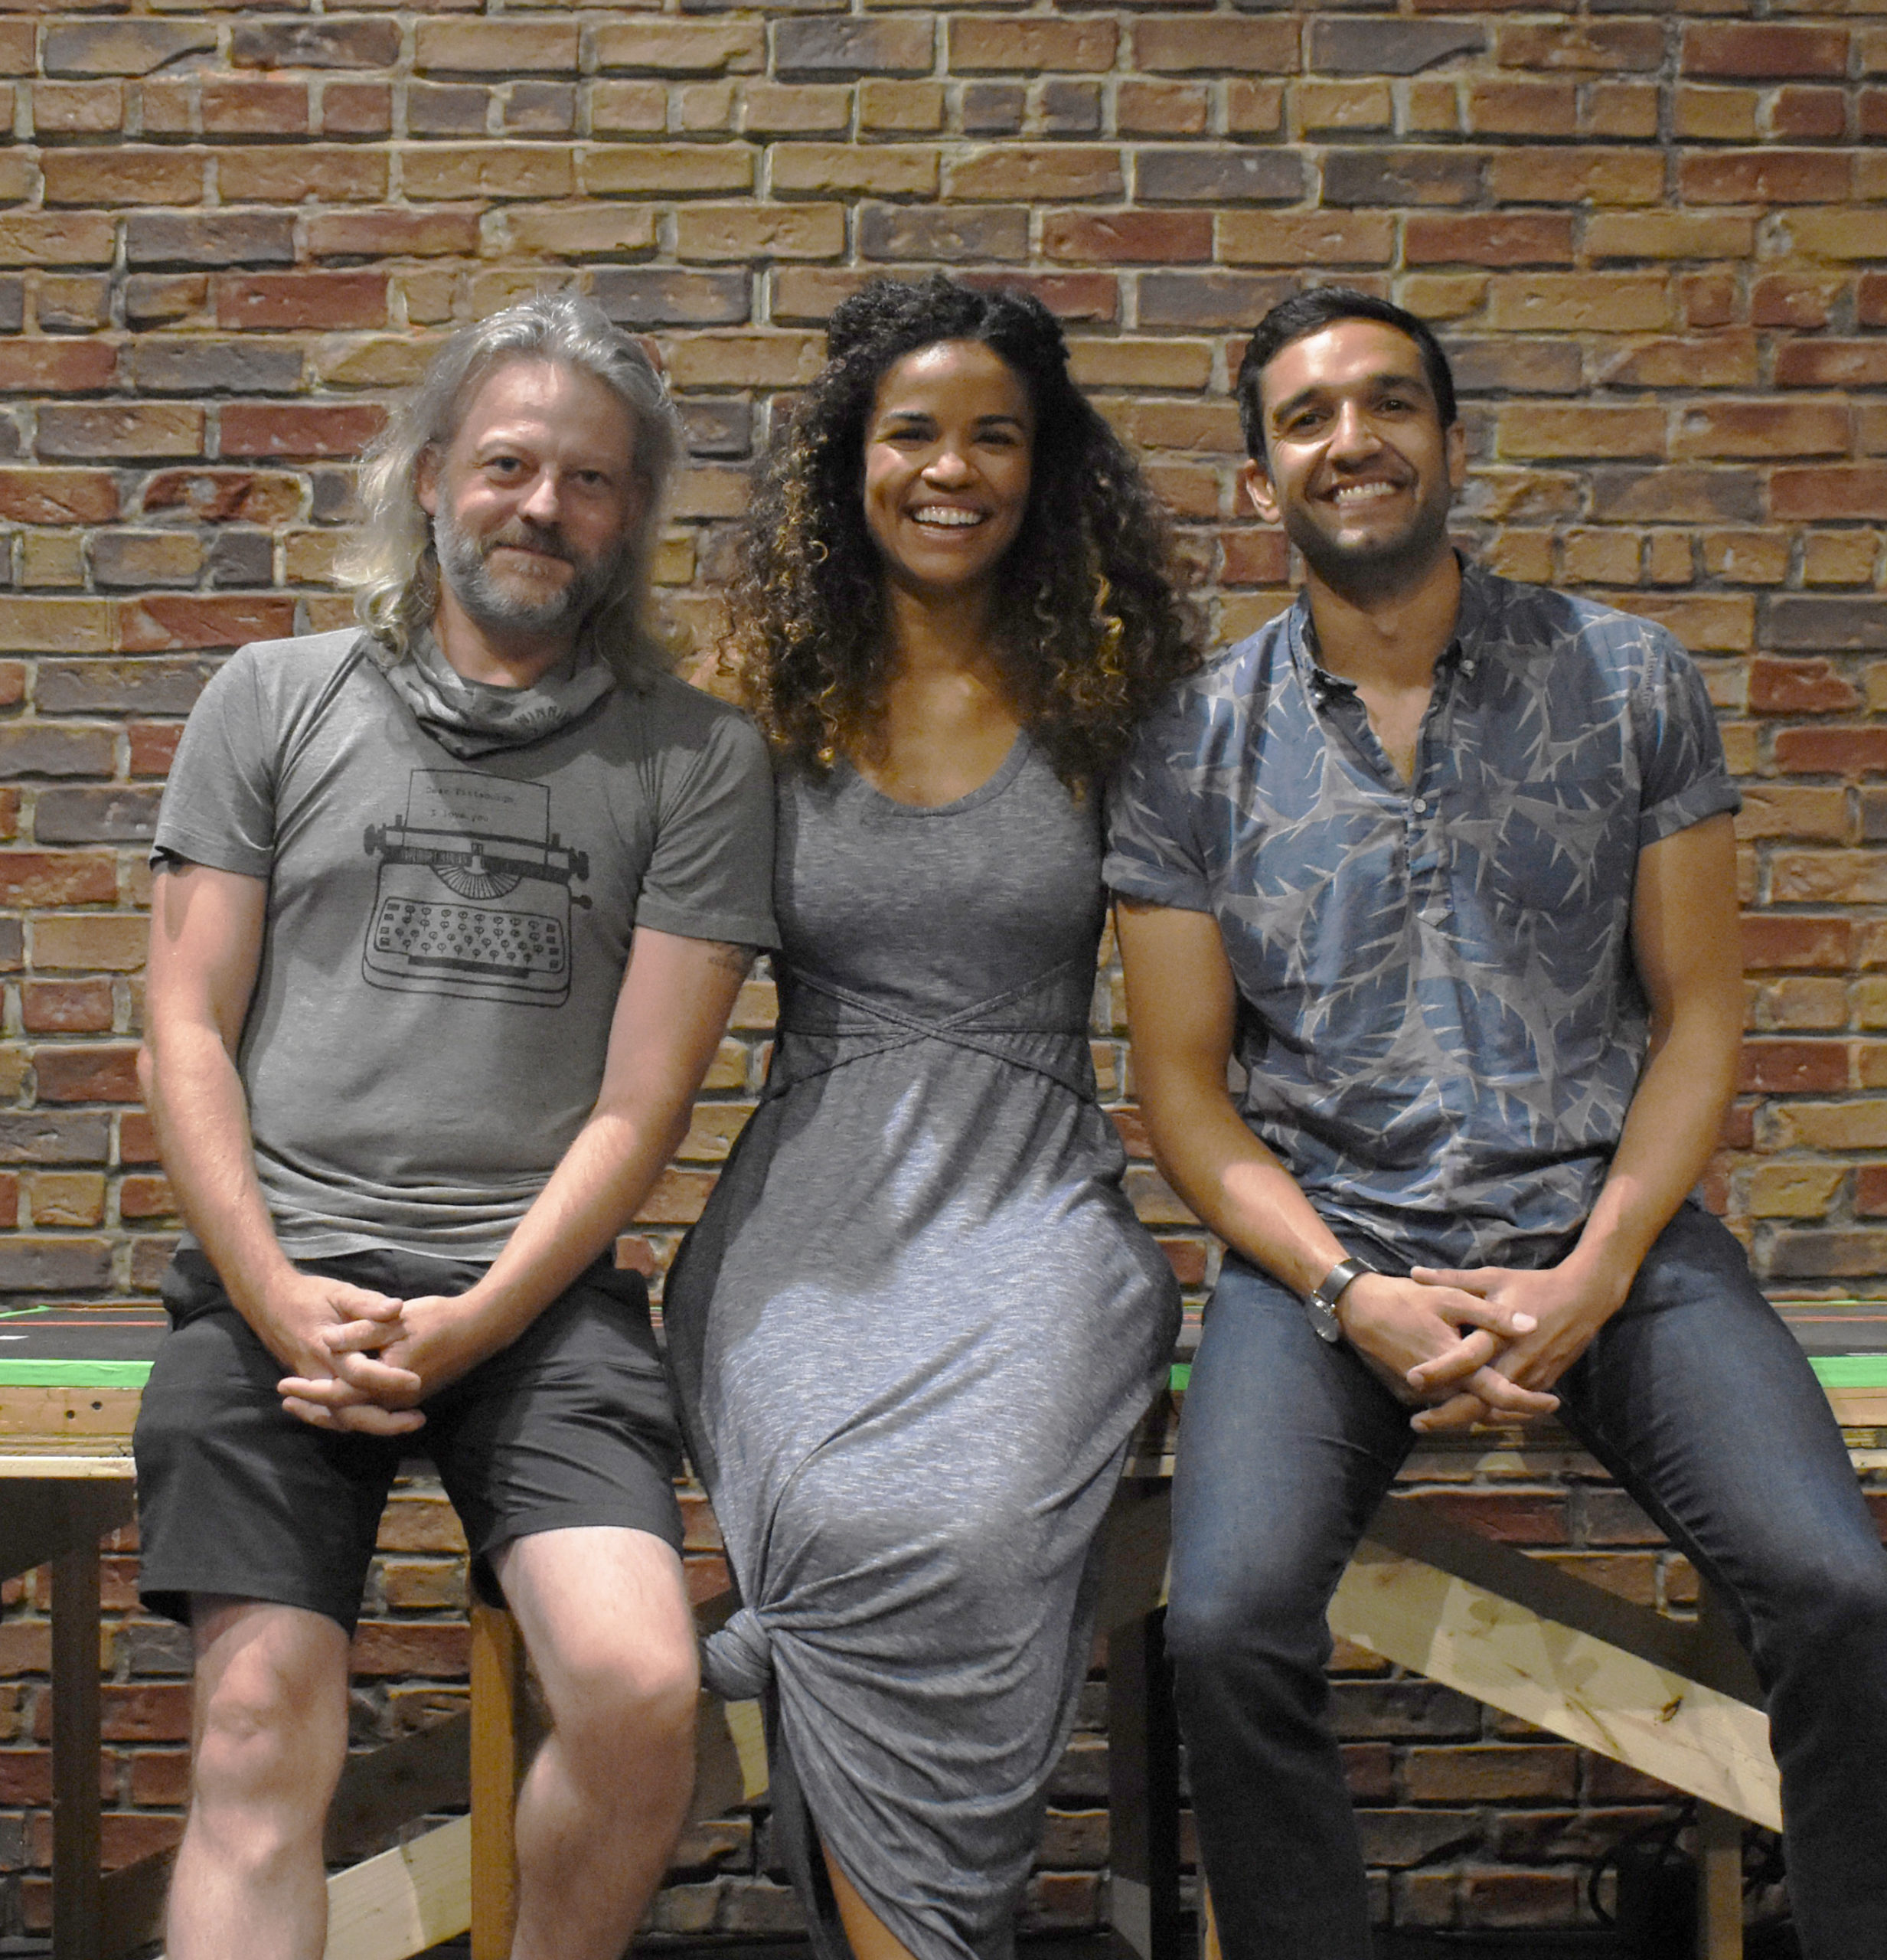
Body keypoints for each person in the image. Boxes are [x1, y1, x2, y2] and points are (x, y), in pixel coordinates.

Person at [1108, 287, 1887, 1958]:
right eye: (1307, 419)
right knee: (1229, 1622)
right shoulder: (1186, 742)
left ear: (1455, 444)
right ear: (1258, 483)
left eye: (1391, 404)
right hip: (1331, 1258)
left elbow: (1700, 1013)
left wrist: (1598, 1271)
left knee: (1841, 1592)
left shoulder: (1625, 677)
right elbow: (1183, 1085)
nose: (1352, 440)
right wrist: (1346, 1289)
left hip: (1615, 1244)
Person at [133, 293, 779, 1960]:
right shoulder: (270, 700)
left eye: (588, 478)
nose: (540, 507)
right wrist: (276, 1291)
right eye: (506, 463)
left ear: (632, 515)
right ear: (430, 476)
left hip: (538, 1308)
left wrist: (475, 1315)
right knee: (262, 1721)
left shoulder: (700, 762)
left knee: (644, 1695)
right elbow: (186, 1030)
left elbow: (643, 1103)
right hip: (281, 1284)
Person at [661, 273, 1200, 1960]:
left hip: (1034, 1199)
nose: (950, 468)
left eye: (995, 436)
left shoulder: (1121, 704)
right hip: (807, 1203)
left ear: (1047, 469)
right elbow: (651, 1014)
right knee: (835, 1516)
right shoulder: (751, 703)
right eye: (913, 433)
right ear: (851, 461)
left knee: (968, 1527)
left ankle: (806, 1716)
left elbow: (1192, 1037)